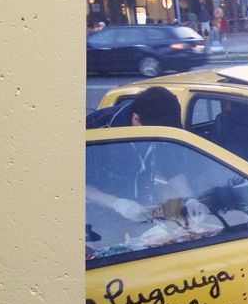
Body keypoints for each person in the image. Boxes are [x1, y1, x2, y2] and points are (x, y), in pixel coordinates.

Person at [85, 87, 209, 225]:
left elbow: (172, 167)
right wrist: (117, 204)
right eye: (156, 136)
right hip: (101, 221)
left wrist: (189, 198)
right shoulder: (95, 129)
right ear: (136, 120)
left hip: (145, 213)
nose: (160, 141)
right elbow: (75, 182)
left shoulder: (160, 128)